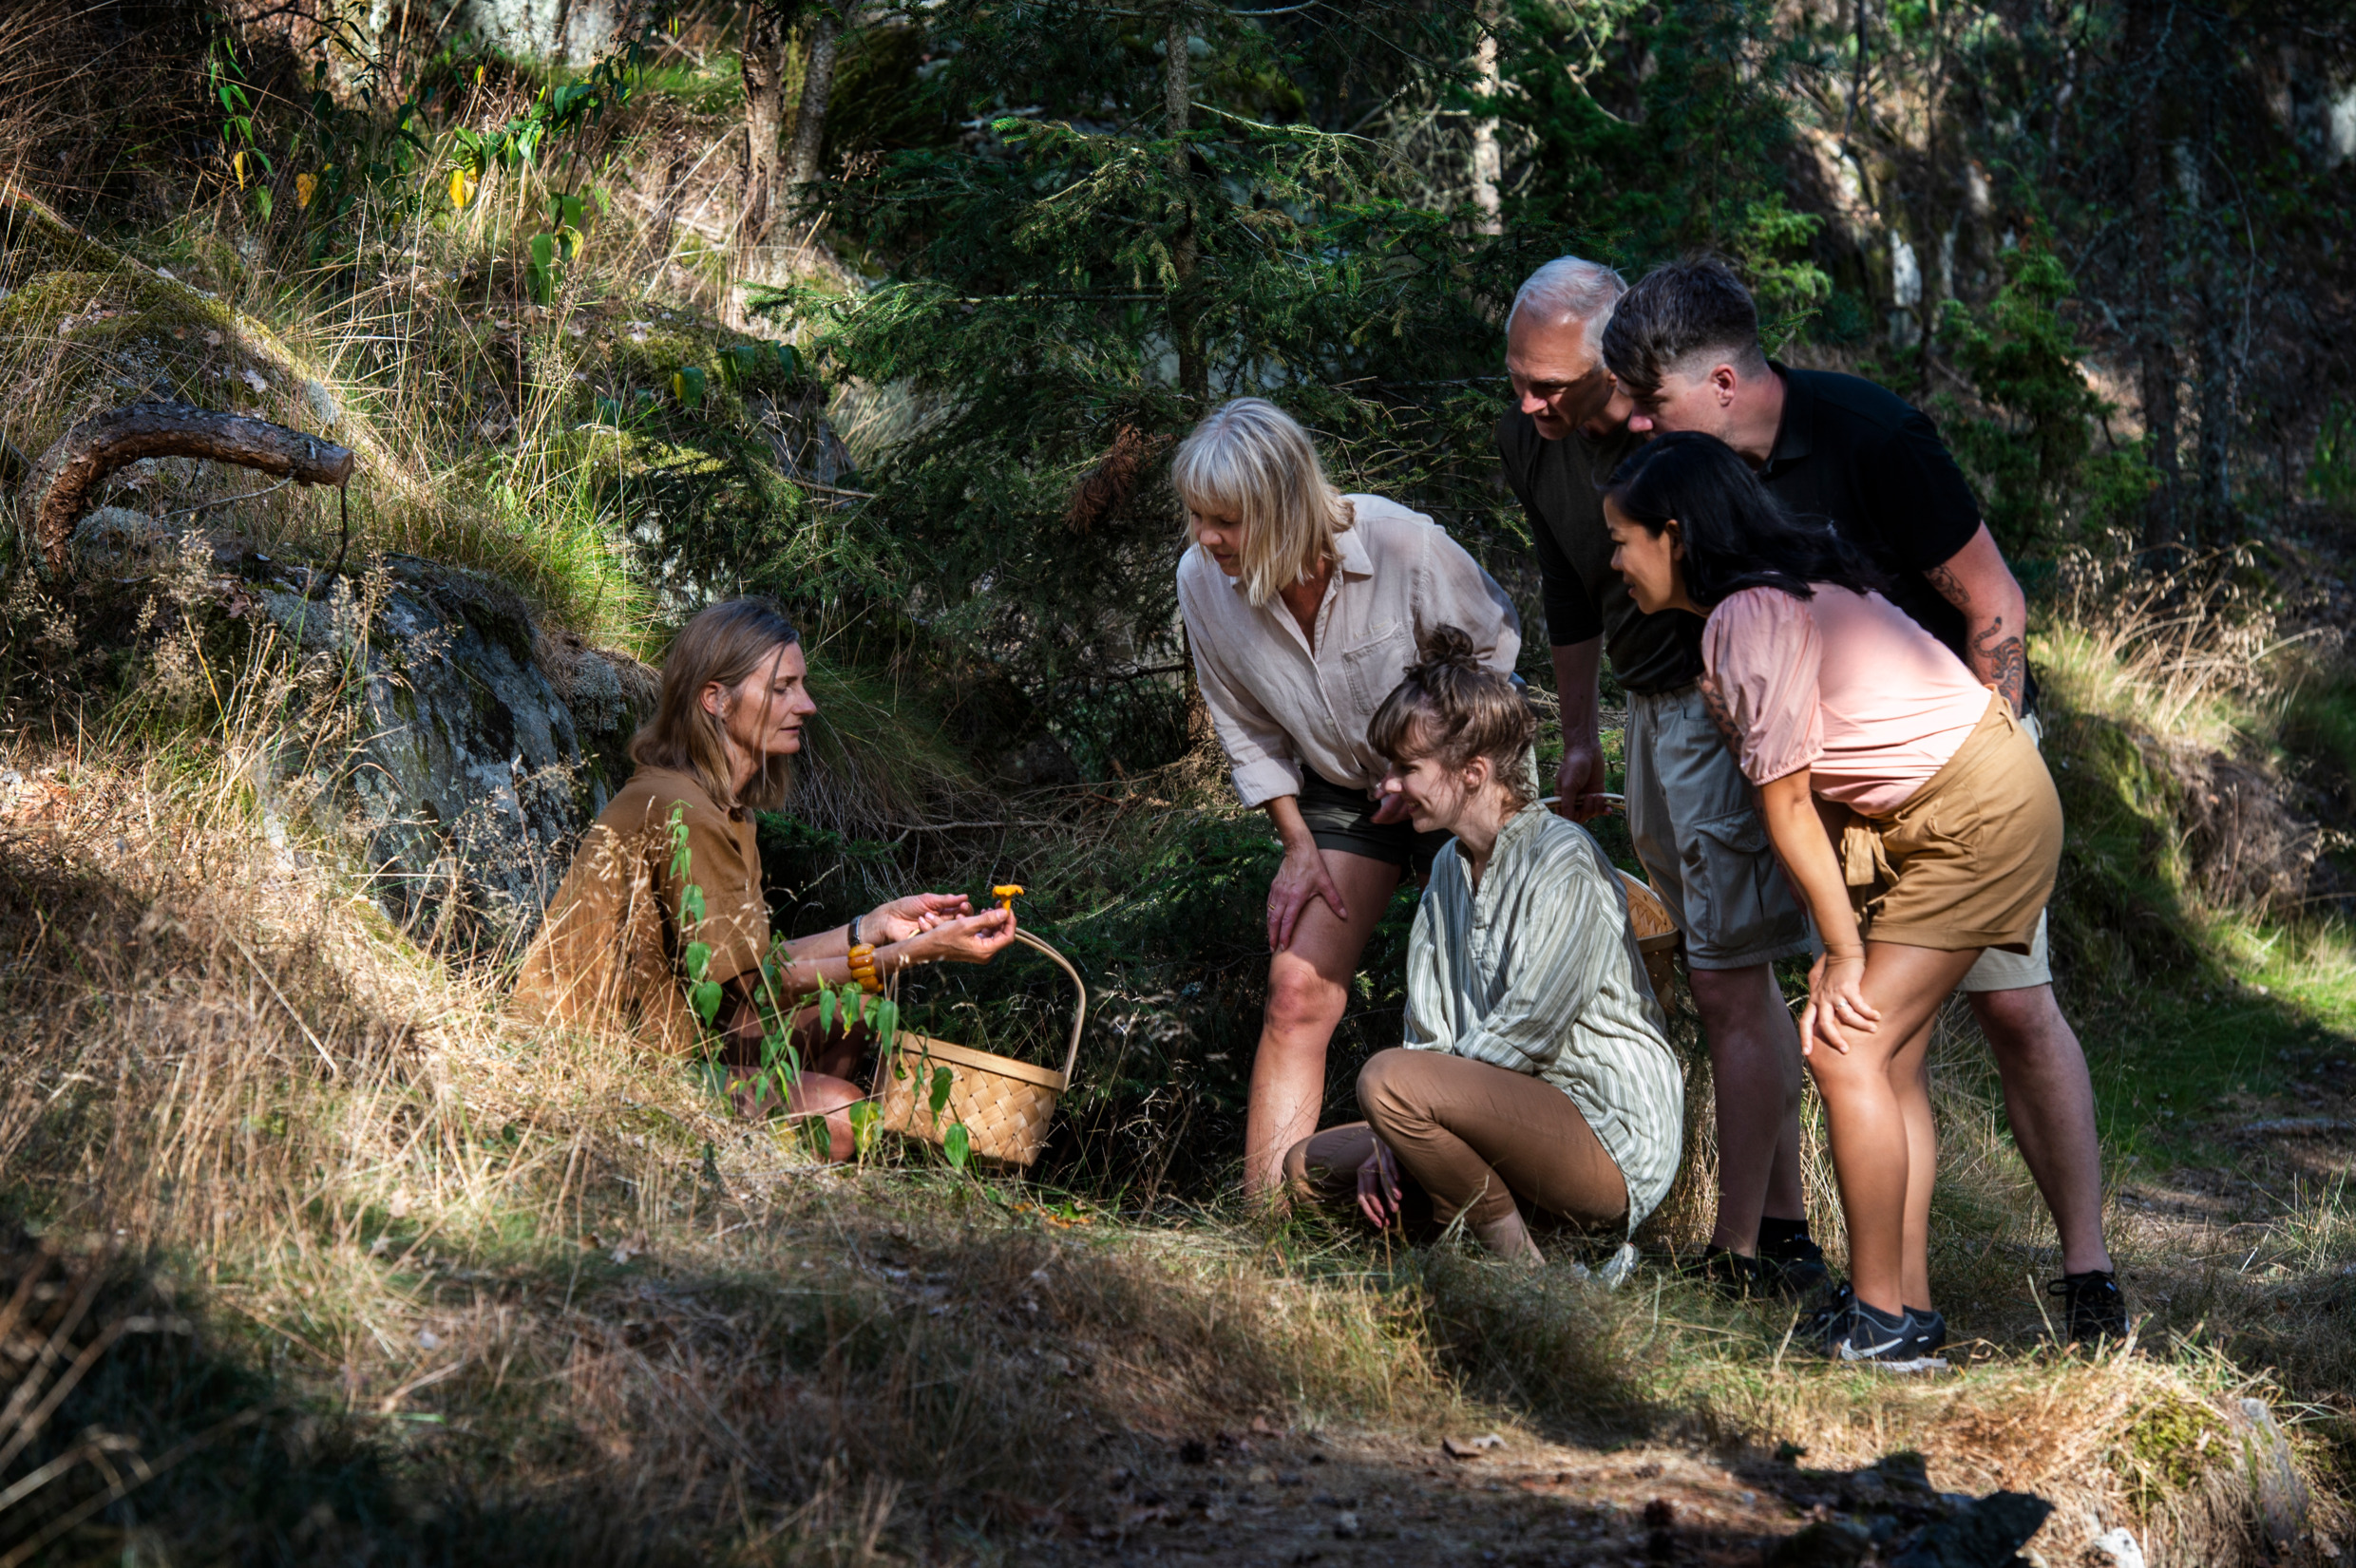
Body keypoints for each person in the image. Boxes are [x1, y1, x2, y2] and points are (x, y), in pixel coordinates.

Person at [1598, 257, 2125, 1343]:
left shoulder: (1857, 448)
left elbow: (1982, 603)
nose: (1639, 426)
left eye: (1652, 404)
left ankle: (1953, 1307)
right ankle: (1897, 1300)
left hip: (1968, 794)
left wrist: (1972, 755)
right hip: (1908, 805)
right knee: (1879, 1054)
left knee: (1893, 1034)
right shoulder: (1749, 583)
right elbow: (1814, 784)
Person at [1497, 256, 1825, 1295]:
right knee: (1721, 969)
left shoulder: (1677, 430)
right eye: (1517, 380)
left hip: (1717, 702)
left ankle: (1752, 1244)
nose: (1529, 403)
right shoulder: (1530, 436)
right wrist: (1579, 733)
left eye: (1550, 385)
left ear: (1613, 362)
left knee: (1731, 975)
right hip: (1642, 711)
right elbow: (1566, 586)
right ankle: (1776, 1230)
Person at [514, 597, 1019, 1158]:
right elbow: (755, 989)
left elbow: (745, 967)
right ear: (716, 699)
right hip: (601, 1066)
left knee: (849, 1014)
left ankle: (770, 1165)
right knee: (843, 1115)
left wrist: (870, 928)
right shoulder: (686, 812)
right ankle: (760, 1173)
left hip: (679, 1038)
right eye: (782, 689)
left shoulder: (724, 808)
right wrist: (915, 953)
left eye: (801, 686)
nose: (807, 705)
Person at [1174, 397, 1524, 1198]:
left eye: (1225, 520)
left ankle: (1495, 1214)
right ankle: (1267, 1225)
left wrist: (1436, 771)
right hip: (1339, 783)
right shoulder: (1201, 581)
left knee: (1488, 985)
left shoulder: (1404, 545)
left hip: (1459, 776)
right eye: (1197, 516)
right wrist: (1297, 841)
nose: (1205, 537)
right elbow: (1241, 722)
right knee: (1295, 991)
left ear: (1282, 507)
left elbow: (1496, 656)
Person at [1282, 629, 1684, 1260]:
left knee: (1387, 1082)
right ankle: (1541, 1243)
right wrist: (1394, 1132)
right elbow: (1429, 1032)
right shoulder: (1448, 867)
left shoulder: (1563, 858)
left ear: (1472, 773)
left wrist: (1409, 1107)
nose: (1388, 786)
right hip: (1495, 1116)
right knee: (1310, 1167)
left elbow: (1530, 1028)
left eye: (1407, 768)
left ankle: (1516, 1271)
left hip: (1606, 1134)